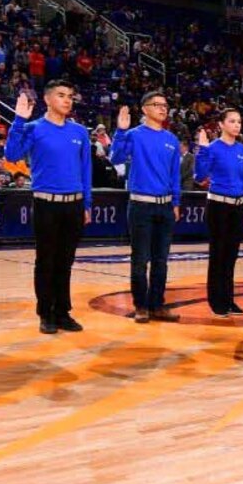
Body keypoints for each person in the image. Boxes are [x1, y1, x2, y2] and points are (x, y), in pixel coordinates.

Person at [8, 80, 95, 334]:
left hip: (74, 204)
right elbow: (12, 155)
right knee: (45, 260)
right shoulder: (33, 128)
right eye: (61, 95)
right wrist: (18, 122)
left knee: (65, 261)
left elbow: (86, 170)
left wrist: (86, 203)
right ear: (47, 99)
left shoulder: (79, 132)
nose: (67, 100)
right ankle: (46, 313)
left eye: (70, 96)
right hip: (46, 203)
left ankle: (63, 312)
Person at [106, 91, 185, 323]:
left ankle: (157, 305)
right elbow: (116, 158)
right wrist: (120, 131)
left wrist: (176, 201)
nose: (163, 108)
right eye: (157, 104)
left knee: (161, 260)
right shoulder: (133, 135)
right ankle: (141, 306)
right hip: (140, 205)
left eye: (165, 104)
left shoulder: (171, 139)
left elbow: (175, 176)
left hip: (165, 207)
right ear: (144, 109)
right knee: (140, 259)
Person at [195, 107, 243, 317]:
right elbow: (200, 176)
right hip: (218, 206)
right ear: (221, 125)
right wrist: (202, 150)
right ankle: (216, 301)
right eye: (232, 121)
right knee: (218, 255)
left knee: (232, 256)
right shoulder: (213, 148)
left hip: (238, 206)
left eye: (239, 121)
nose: (237, 125)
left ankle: (229, 300)